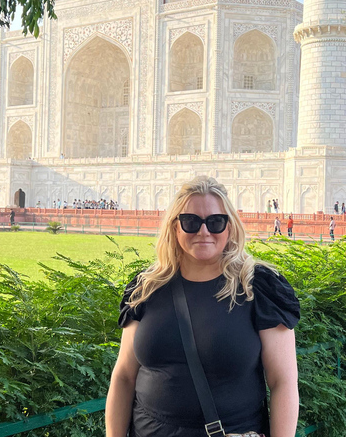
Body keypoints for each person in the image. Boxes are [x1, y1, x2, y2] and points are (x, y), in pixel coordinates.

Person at [105, 176, 300, 437]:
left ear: (229, 228)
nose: (203, 231)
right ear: (175, 228)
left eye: (216, 222)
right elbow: (124, 376)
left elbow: (283, 382)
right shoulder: (147, 287)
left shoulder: (258, 288)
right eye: (191, 222)